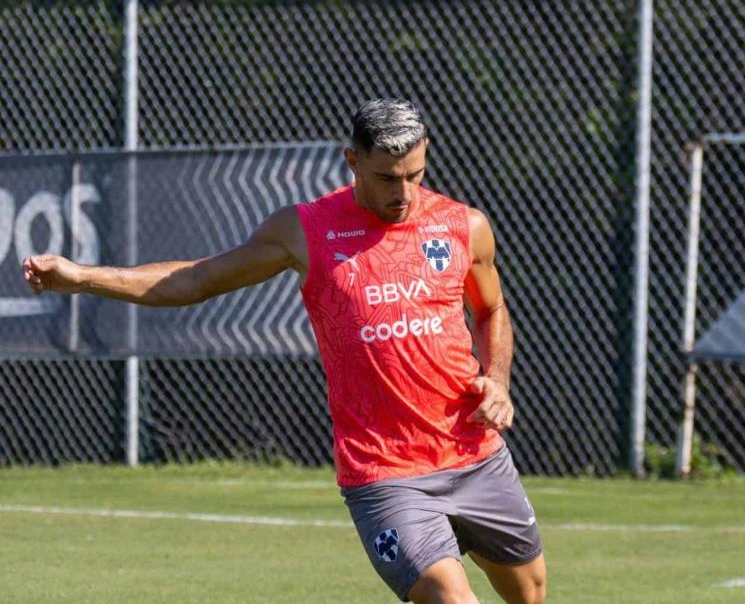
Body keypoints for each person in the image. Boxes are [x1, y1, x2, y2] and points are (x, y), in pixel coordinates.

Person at [22, 98, 546, 604]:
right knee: (451, 599)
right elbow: (198, 279)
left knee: (531, 593)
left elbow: (491, 311)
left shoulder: (463, 225)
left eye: (415, 174)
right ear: (352, 161)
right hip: (386, 472)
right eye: (387, 177)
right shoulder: (306, 230)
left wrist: (497, 380)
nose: (404, 192)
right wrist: (84, 278)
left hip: (475, 452)